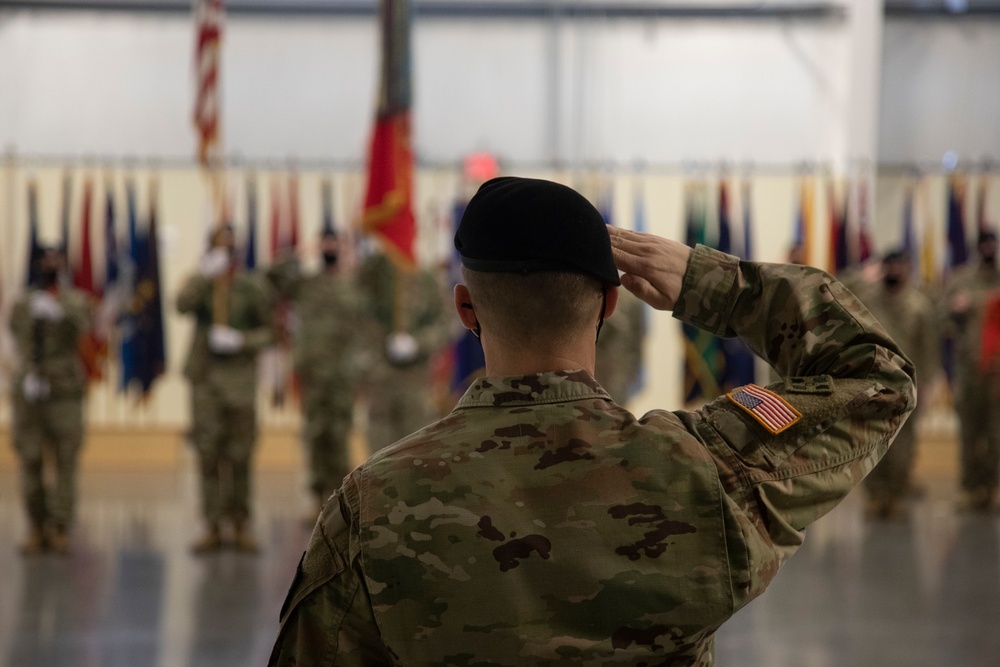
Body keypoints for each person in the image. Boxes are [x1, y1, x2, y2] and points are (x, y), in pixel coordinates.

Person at [268, 177, 915, 666]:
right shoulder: (705, 472)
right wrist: (708, 283)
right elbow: (877, 378)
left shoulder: (373, 503)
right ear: (611, 302)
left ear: (466, 307)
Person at [177, 225, 273, 553]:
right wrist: (205, 275)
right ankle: (213, 525)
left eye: (230, 247)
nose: (226, 252)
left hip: (240, 383)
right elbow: (180, 305)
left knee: (240, 456)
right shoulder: (202, 284)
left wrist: (242, 340)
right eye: (219, 247)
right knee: (207, 455)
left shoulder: (251, 287)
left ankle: (240, 524)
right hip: (205, 382)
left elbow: (271, 332)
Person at [267, 230, 368, 515]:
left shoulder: (353, 285)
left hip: (343, 374)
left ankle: (340, 501)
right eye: (325, 242)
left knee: (339, 434)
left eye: (334, 242)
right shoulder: (305, 284)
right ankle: (316, 500)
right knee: (315, 434)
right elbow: (271, 278)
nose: (329, 247)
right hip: (313, 373)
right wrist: (299, 251)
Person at [9, 247, 91, 555]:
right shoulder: (23, 303)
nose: (51, 265)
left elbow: (84, 327)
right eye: (45, 260)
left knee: (65, 461)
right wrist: (29, 374)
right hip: (30, 393)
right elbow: (18, 337)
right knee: (30, 459)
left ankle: (60, 526)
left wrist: (60, 311)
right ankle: (35, 526)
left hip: (65, 392)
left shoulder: (75, 300)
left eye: (57, 260)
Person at [850, 250, 939, 519]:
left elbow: (928, 348)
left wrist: (927, 382)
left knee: (903, 445)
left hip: (906, 387)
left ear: (907, 269)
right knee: (870, 443)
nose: (893, 271)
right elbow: (837, 290)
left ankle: (896, 496)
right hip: (871, 384)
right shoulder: (866, 300)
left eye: (899, 266)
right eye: (888, 266)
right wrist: (863, 275)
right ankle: (876, 496)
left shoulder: (919, 305)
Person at [357, 250, 449, 452]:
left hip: (415, 380)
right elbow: (355, 315)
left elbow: (449, 321)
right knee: (378, 454)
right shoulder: (371, 278)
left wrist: (419, 343)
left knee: (418, 451)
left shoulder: (426, 280)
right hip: (379, 376)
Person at [942, 231, 1000, 512]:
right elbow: (942, 319)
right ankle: (970, 489)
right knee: (969, 430)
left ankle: (994, 488)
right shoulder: (960, 280)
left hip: (998, 374)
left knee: (996, 432)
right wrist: (957, 312)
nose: (989, 249)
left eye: (993, 244)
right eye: (985, 244)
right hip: (969, 368)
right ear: (978, 248)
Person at [595, 285, 645, 404]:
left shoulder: (633, 298)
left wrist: (635, 370)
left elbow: (637, 340)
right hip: (595, 368)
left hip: (619, 370)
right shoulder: (592, 290)